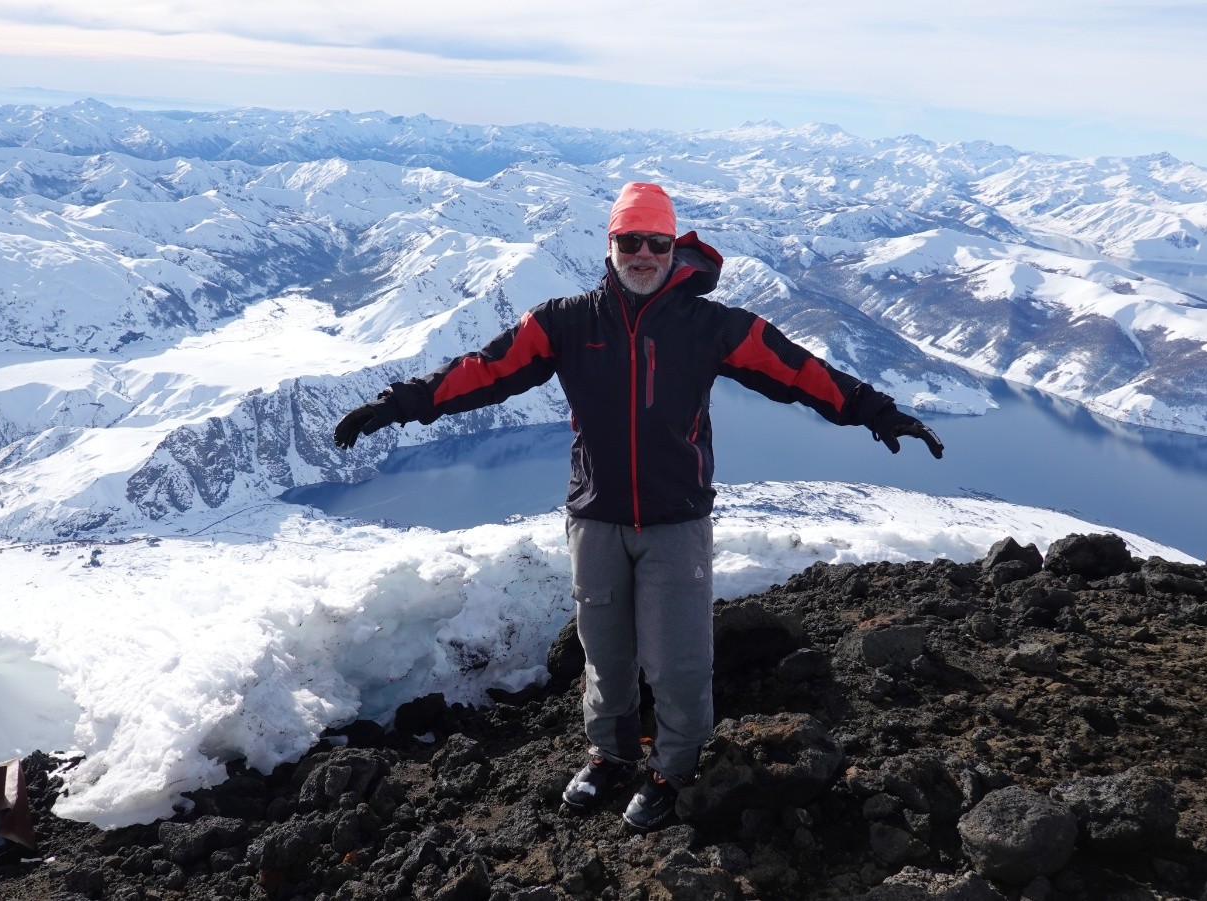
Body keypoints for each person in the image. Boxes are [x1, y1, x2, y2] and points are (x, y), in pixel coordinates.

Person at [333, 182, 943, 831]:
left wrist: (875, 412)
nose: (644, 254)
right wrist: (396, 404)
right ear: (611, 244)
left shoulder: (708, 326)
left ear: (673, 246)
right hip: (594, 516)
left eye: (657, 242)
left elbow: (797, 370)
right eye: (631, 240)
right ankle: (612, 754)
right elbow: (484, 369)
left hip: (676, 518)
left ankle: (674, 767)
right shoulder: (567, 321)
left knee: (678, 659)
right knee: (605, 652)